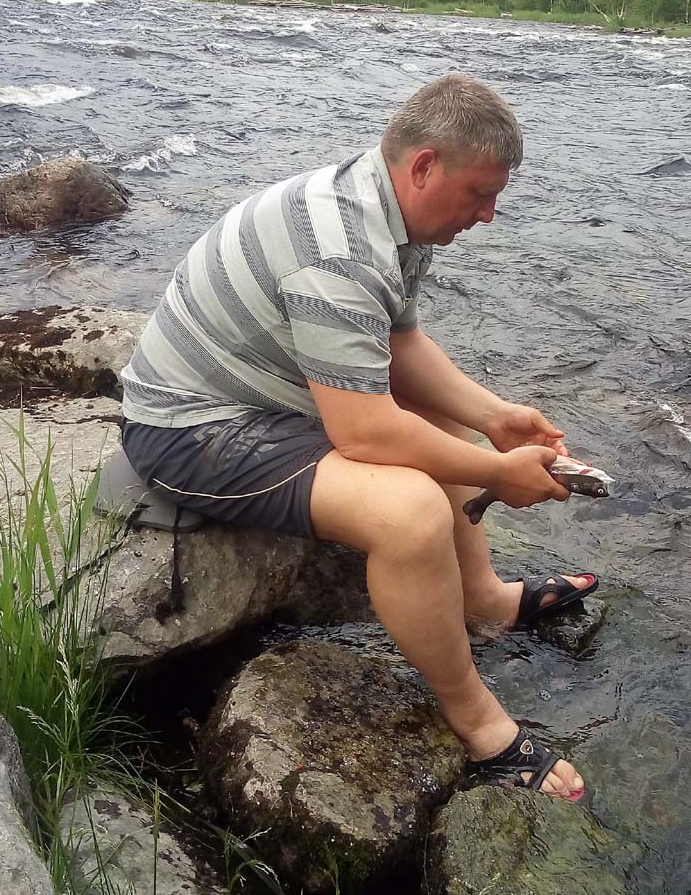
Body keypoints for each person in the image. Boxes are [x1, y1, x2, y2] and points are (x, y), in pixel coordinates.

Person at [120, 74, 598, 801]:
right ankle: (474, 719)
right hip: (190, 431)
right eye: (480, 194)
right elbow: (366, 432)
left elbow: (399, 344)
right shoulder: (338, 247)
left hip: (260, 401)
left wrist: (494, 417)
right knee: (409, 513)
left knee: (442, 420)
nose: (489, 214)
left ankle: (484, 601)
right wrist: (499, 472)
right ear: (425, 166)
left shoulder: (385, 210)